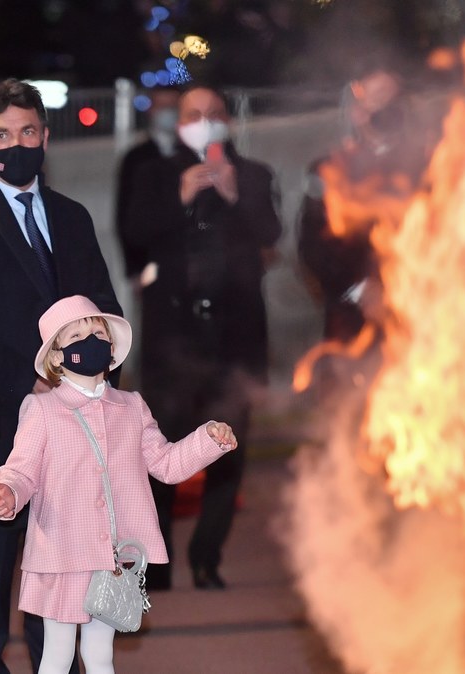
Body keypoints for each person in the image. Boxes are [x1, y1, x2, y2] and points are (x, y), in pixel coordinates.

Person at [0, 78, 123, 673]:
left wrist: (83, 380)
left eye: (27, 131)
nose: (16, 144)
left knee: (62, 560)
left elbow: (103, 305)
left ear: (45, 138)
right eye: (2, 134)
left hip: (74, 417)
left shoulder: (73, 217)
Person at [0, 295, 237, 674]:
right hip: (63, 554)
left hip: (113, 557)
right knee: (57, 655)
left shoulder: (132, 406)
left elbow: (166, 463)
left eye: (98, 332)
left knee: (101, 654)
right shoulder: (41, 409)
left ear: (111, 347)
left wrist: (208, 440)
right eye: (77, 334)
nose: (91, 339)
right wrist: (10, 492)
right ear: (57, 357)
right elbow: (22, 470)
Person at [119, 84, 282, 591]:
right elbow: (132, 231)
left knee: (228, 449)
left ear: (228, 123)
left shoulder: (254, 175)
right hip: (174, 337)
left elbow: (272, 233)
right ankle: (160, 560)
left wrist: (235, 196)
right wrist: (180, 197)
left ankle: (207, 556)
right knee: (160, 447)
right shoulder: (153, 173)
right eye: (194, 114)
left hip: (235, 339)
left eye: (213, 114)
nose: (203, 121)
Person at [297, 57, 426, 347]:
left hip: (422, 312)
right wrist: (358, 290)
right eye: (378, 98)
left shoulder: (431, 163)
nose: (387, 108)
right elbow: (312, 246)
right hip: (352, 323)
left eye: (393, 99)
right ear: (357, 111)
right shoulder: (329, 169)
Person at [113, 86, 180, 286]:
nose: (168, 113)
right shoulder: (136, 158)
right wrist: (134, 269)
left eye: (172, 106)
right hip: (150, 262)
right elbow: (125, 214)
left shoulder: (190, 152)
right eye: (162, 106)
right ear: (151, 110)